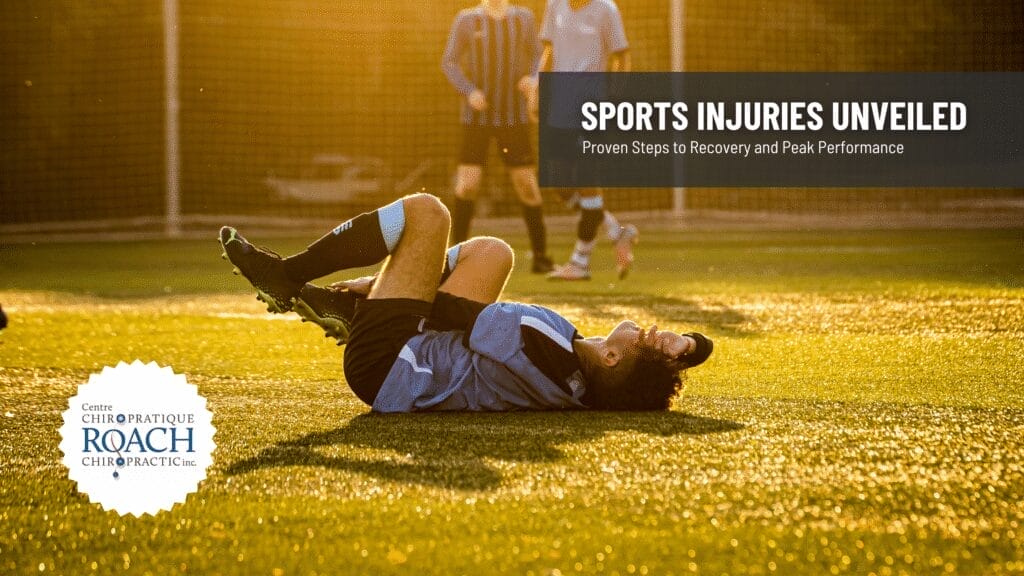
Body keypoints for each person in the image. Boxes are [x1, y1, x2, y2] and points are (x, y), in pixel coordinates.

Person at [219, 193, 712, 412]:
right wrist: (686, 346)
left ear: (611, 356)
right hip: (413, 360)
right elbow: (692, 350)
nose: (649, 330)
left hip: (386, 363)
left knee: (427, 215)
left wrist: (383, 285)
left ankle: (287, 276)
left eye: (644, 340)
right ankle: (351, 309)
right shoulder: (578, 380)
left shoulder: (547, 345)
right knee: (494, 252)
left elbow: (449, 311)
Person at [442, 0, 554, 274]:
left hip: (514, 118)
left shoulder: (523, 19)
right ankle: (456, 260)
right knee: (467, 185)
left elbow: (543, 56)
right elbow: (449, 62)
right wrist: (469, 91)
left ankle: (540, 257)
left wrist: (533, 79)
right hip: (476, 119)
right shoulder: (467, 20)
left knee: (526, 186)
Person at [532, 0, 638, 281]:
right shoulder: (555, 5)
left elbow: (621, 56)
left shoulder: (607, 9)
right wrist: (537, 89)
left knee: (588, 183)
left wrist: (615, 99)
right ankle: (617, 231)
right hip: (559, 109)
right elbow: (549, 52)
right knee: (560, 186)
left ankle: (580, 262)